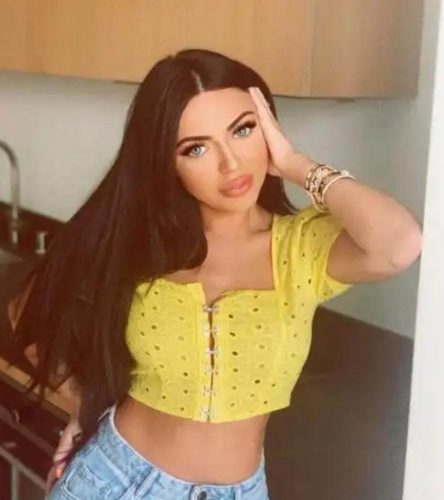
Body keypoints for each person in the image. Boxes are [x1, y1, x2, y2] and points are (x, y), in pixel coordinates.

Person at [7, 48, 422, 500]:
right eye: (196, 148)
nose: (231, 164)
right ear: (167, 162)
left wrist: (294, 162)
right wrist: (83, 406)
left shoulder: (300, 248)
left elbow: (399, 245)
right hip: (112, 478)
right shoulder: (141, 242)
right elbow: (31, 307)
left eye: (243, 130)